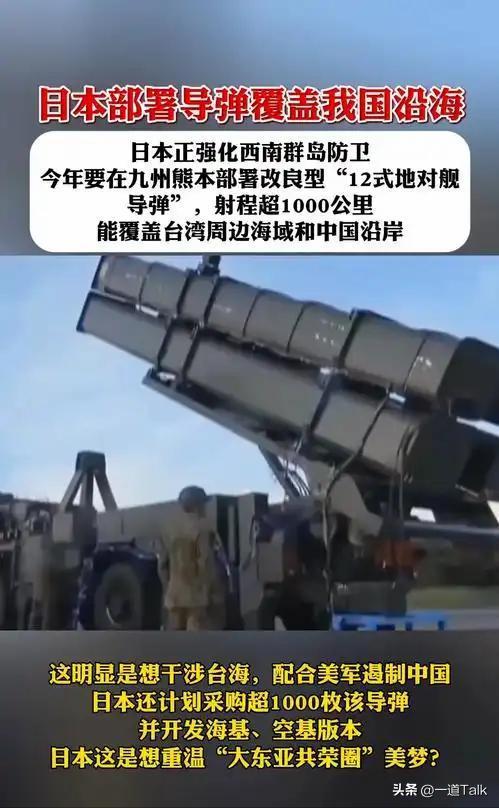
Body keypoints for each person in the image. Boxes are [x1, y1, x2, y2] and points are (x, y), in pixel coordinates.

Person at [157, 486, 229, 630]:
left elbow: (162, 565)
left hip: (174, 598)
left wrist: (170, 587)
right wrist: (217, 595)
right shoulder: (205, 529)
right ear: (197, 506)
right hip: (198, 600)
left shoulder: (168, 530)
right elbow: (207, 564)